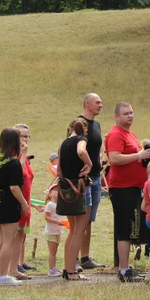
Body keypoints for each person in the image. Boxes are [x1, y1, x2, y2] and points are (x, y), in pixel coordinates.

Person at [106, 101, 150, 283]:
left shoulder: (130, 134)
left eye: (132, 112)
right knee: (124, 229)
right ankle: (123, 269)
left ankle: (126, 267)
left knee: (132, 227)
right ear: (116, 116)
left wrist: (147, 156)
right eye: (126, 113)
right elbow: (114, 158)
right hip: (122, 187)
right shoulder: (115, 134)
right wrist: (139, 155)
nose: (130, 116)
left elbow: (135, 158)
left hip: (134, 186)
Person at [0, 127, 30, 286]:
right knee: (9, 240)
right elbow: (15, 186)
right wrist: (24, 204)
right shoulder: (13, 162)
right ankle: (2, 274)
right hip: (8, 203)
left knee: (2, 238)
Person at [57, 118, 93, 281]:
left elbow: (59, 170)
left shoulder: (63, 144)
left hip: (67, 188)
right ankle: (72, 271)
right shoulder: (81, 140)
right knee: (80, 230)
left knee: (72, 230)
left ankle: (67, 268)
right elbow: (81, 152)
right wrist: (89, 164)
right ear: (84, 130)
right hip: (80, 188)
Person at [78, 93, 106, 272]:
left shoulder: (96, 125)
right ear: (87, 104)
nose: (101, 105)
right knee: (80, 219)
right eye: (98, 102)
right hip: (83, 178)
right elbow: (74, 147)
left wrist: (100, 159)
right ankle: (72, 257)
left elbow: (99, 146)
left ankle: (85, 257)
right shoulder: (79, 124)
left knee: (89, 220)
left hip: (96, 176)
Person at [13, 123, 37, 279]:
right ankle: (14, 264)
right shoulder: (15, 156)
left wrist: (32, 203)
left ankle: (21, 261)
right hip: (18, 202)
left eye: (26, 135)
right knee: (17, 234)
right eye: (21, 135)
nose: (24, 139)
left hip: (26, 201)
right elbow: (17, 176)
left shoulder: (25, 157)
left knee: (23, 233)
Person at [41, 184, 64, 278]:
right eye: (56, 191)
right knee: (52, 251)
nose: (58, 193)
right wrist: (57, 221)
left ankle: (54, 268)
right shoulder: (50, 205)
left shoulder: (58, 205)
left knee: (55, 251)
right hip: (50, 231)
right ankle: (51, 269)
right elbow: (46, 217)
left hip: (57, 231)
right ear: (50, 194)